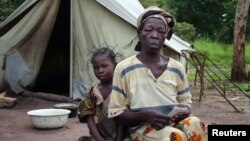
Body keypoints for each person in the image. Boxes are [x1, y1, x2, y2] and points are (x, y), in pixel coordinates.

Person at [108, 6, 207, 141]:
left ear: (166, 35)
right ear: (139, 33)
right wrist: (146, 116)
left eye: (161, 31)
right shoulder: (124, 68)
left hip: (172, 123)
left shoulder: (177, 68)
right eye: (148, 30)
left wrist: (180, 113)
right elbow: (117, 113)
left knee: (195, 123)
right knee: (175, 136)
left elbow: (186, 103)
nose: (154, 35)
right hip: (142, 128)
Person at [78, 47, 126, 141]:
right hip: (100, 136)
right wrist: (99, 139)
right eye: (96, 67)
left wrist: (119, 139)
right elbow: (89, 117)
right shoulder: (92, 91)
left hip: (122, 136)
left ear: (115, 65)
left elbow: (124, 119)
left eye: (104, 66)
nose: (100, 70)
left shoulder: (121, 88)